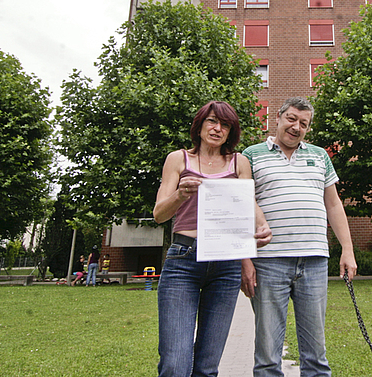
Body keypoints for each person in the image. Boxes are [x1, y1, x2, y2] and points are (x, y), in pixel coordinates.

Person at [153, 100, 273, 377]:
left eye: (226, 125)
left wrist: (262, 226)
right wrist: (180, 194)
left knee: (207, 366)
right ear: (200, 125)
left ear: (231, 131)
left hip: (226, 265)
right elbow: (159, 214)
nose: (217, 128)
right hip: (184, 259)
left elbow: (249, 205)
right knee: (175, 363)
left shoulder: (239, 162)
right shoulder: (177, 159)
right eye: (211, 121)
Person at [241, 96, 358, 377]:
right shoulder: (251, 154)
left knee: (316, 354)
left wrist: (347, 249)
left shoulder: (320, 156)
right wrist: (244, 259)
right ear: (278, 118)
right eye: (291, 119)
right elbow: (241, 204)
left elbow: (334, 204)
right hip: (269, 262)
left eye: (303, 123)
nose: (296, 127)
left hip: (315, 262)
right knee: (268, 355)